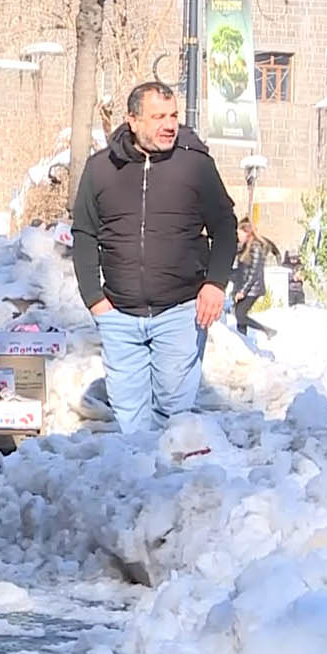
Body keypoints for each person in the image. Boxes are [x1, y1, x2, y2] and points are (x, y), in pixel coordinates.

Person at [72, 81, 237, 435]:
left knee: (172, 419)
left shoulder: (196, 166)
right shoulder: (101, 169)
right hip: (119, 314)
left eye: (174, 115)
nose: (169, 124)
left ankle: (167, 485)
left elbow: (225, 227)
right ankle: (142, 486)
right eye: (158, 116)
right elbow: (84, 233)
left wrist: (215, 283)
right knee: (130, 422)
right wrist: (94, 298)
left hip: (179, 311)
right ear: (133, 120)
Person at [231, 218, 278, 339]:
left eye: (239, 233)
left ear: (247, 233)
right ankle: (242, 339)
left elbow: (254, 272)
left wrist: (243, 291)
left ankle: (267, 330)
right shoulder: (246, 246)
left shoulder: (256, 247)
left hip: (252, 288)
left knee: (240, 315)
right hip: (244, 286)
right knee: (239, 316)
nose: (238, 236)